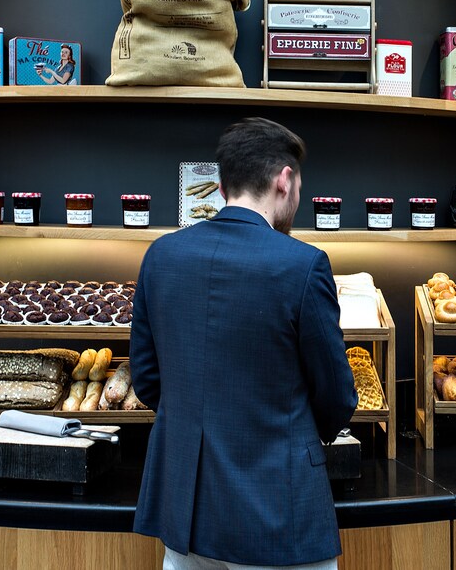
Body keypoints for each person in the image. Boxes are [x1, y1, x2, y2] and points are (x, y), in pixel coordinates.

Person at [130, 117, 358, 570]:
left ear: (220, 187)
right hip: (278, 507)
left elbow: (147, 379)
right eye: (299, 187)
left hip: (187, 507)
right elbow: (336, 394)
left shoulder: (161, 256)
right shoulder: (304, 265)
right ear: (284, 179)